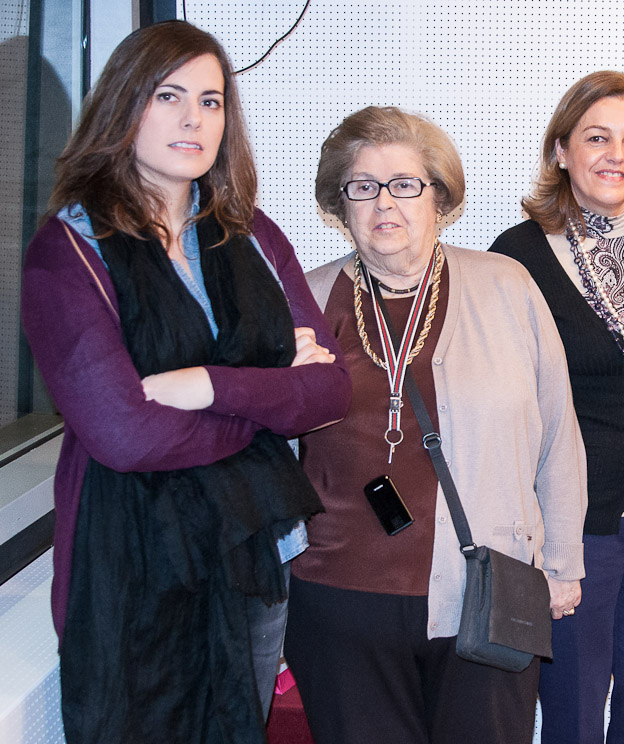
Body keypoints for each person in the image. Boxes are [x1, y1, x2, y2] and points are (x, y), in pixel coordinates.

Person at [20, 20, 350, 742]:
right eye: (168, 96)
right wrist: (270, 393)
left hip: (253, 557)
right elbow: (124, 434)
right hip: (133, 568)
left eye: (210, 100)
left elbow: (330, 393)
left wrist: (208, 384)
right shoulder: (68, 251)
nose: (193, 119)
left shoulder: (252, 235)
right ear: (123, 105)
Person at [282, 106, 587, 744]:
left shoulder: (506, 287)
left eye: (404, 184)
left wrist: (562, 563)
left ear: (439, 198)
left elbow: (559, 431)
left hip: (485, 593)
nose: (384, 203)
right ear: (340, 204)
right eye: (362, 186)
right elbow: (267, 448)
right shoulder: (304, 302)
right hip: (339, 599)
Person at [489, 71, 624, 744]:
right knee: (574, 700)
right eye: (597, 138)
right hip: (571, 518)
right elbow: (503, 404)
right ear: (561, 149)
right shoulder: (517, 256)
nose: (617, 155)